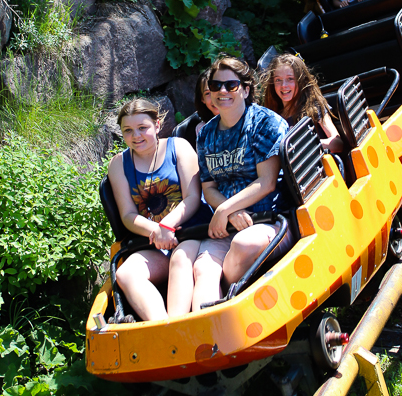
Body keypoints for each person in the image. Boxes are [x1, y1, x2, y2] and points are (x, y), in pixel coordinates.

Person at [192, 57, 292, 310]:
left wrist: (224, 210)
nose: (222, 92)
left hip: (271, 219)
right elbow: (209, 187)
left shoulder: (265, 123)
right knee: (203, 267)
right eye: (216, 86)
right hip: (231, 222)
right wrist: (231, 211)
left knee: (243, 245)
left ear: (246, 90)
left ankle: (228, 308)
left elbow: (267, 182)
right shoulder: (206, 134)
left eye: (231, 85)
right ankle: (199, 333)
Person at [108, 98, 208, 322]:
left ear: (157, 125)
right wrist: (156, 230)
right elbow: (127, 215)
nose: (136, 136)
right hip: (153, 241)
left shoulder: (178, 147)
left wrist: (167, 226)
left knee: (180, 260)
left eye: (142, 128)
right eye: (128, 131)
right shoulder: (118, 165)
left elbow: (193, 197)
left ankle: (177, 323)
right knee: (126, 274)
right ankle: (163, 328)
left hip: (189, 231)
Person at [262, 53, 344, 153]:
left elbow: (337, 143)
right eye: (278, 80)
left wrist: (305, 145)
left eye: (290, 79)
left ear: (301, 81)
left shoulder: (314, 107)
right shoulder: (273, 117)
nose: (283, 85)